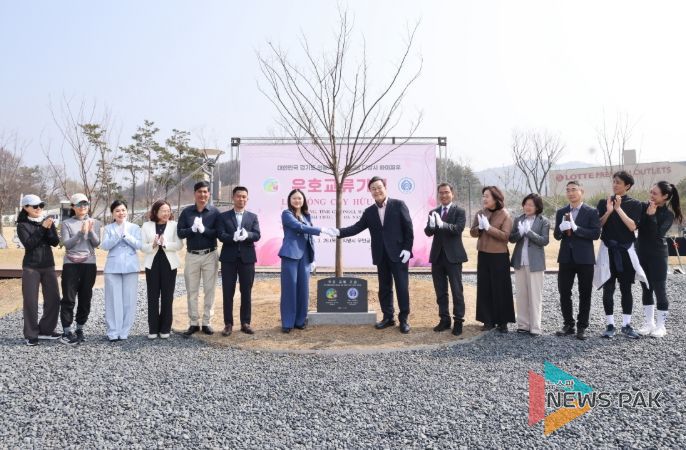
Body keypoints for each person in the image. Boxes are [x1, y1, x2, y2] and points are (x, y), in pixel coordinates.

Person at [335, 176, 414, 333]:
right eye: (373, 189)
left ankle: (404, 319)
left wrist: (407, 248)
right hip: (380, 255)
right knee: (384, 287)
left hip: (399, 254)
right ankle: (388, 317)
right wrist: (338, 232)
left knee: (401, 287)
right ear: (370, 192)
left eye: (379, 187)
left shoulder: (399, 205)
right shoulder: (369, 212)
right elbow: (356, 227)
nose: (377, 191)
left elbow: (409, 229)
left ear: (385, 188)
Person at [278, 189, 336, 333]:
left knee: (303, 289)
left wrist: (313, 259)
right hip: (291, 255)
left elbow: (310, 239)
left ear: (303, 200)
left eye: (299, 198)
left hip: (305, 256)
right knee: (289, 289)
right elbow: (299, 227)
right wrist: (321, 229)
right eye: (294, 198)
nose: (297, 200)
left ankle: (300, 320)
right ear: (290, 200)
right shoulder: (287, 214)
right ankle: (288, 322)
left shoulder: (306, 215)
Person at [595, 170, 644, 339]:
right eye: (614, 181)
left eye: (618, 182)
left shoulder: (635, 204)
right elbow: (598, 225)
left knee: (626, 289)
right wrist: (609, 211)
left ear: (627, 186)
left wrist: (618, 209)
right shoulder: (603, 202)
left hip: (625, 253)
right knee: (608, 289)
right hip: (607, 251)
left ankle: (626, 324)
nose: (615, 185)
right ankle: (610, 325)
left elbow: (632, 226)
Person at [553, 181, 601, 340]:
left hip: (585, 259)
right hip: (566, 257)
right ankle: (568, 324)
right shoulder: (561, 212)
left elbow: (595, 234)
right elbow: (556, 235)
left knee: (585, 293)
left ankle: (582, 326)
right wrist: (560, 230)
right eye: (568, 190)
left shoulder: (591, 211)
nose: (570, 193)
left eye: (574, 189)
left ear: (582, 191)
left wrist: (576, 228)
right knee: (564, 291)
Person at [636, 181, 682, 338]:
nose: (651, 195)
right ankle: (649, 323)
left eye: (655, 193)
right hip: (642, 253)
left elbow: (657, 234)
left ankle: (661, 326)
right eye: (651, 192)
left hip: (658, 255)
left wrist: (651, 216)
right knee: (646, 288)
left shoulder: (668, 215)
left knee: (659, 289)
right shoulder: (643, 207)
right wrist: (647, 213)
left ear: (665, 196)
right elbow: (637, 227)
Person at [177, 181, 220, 336]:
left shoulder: (215, 212)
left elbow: (218, 233)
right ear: (194, 193)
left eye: (205, 192)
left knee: (210, 290)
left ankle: (207, 322)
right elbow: (180, 232)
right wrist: (192, 229)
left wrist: (204, 230)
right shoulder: (187, 212)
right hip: (192, 255)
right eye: (199, 192)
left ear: (209, 194)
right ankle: (193, 322)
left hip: (210, 254)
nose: (202, 195)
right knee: (192, 290)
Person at [424, 182, 468, 336]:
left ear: (452, 194)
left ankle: (458, 321)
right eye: (441, 193)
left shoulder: (459, 211)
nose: (443, 195)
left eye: (446, 192)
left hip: (453, 257)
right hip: (437, 256)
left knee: (456, 290)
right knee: (440, 290)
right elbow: (428, 232)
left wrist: (443, 224)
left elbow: (458, 229)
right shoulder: (433, 212)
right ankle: (444, 319)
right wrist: (431, 226)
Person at [17, 194, 61, 346]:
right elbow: (29, 244)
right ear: (25, 208)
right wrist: (43, 228)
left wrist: (49, 228)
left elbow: (55, 242)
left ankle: (46, 330)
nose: (39, 208)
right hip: (31, 267)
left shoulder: (47, 221)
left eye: (41, 206)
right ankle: (30, 334)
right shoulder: (22, 225)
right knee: (31, 301)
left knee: (54, 299)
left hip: (48, 265)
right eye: (35, 206)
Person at [217, 186, 261, 336]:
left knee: (246, 291)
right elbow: (221, 235)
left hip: (247, 259)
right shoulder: (223, 217)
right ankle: (228, 324)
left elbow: (257, 235)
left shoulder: (253, 217)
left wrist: (247, 235)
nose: (241, 199)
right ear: (233, 198)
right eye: (238, 196)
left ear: (247, 199)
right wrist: (232, 237)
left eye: (244, 197)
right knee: (227, 292)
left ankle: (245, 323)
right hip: (228, 259)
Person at [470, 186, 514, 333]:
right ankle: (487, 320)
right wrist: (480, 228)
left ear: (495, 198)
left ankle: (503, 321)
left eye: (487, 196)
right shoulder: (480, 213)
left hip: (499, 256)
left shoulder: (505, 214)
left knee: (500, 288)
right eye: (483, 196)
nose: (484, 198)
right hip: (483, 254)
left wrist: (489, 228)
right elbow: (472, 232)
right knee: (484, 288)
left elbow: (505, 236)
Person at [60, 193, 101, 345]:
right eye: (79, 204)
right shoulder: (66, 223)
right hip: (70, 264)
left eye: (85, 204)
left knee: (85, 297)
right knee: (69, 297)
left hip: (89, 263)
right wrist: (80, 233)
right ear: (73, 207)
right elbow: (67, 244)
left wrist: (90, 231)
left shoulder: (95, 222)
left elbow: (96, 243)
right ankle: (66, 331)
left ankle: (80, 328)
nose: (83, 207)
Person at [141, 200, 184, 339]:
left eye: (168, 211)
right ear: (155, 212)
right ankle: (153, 329)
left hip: (169, 264)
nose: (166, 213)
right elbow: (142, 246)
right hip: (152, 264)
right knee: (152, 296)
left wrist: (166, 244)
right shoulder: (146, 226)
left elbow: (179, 245)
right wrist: (153, 245)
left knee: (167, 296)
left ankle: (165, 328)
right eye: (163, 211)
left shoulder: (174, 225)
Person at [509, 193, 550, 337]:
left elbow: (544, 241)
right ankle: (523, 325)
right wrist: (520, 233)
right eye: (526, 204)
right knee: (521, 295)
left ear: (537, 207)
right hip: (520, 261)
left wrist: (529, 232)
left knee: (535, 296)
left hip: (535, 262)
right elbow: (511, 239)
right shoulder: (518, 219)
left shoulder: (543, 221)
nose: (527, 207)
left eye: (531, 205)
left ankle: (535, 327)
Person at [101, 200, 142, 341]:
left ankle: (125, 331)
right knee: (113, 300)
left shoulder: (134, 227)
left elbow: (139, 245)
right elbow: (104, 246)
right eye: (117, 210)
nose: (121, 213)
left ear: (127, 211)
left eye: (123, 210)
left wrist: (126, 235)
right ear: (112, 213)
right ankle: (113, 331)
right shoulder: (108, 228)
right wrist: (117, 235)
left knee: (129, 300)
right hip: (113, 267)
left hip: (130, 266)